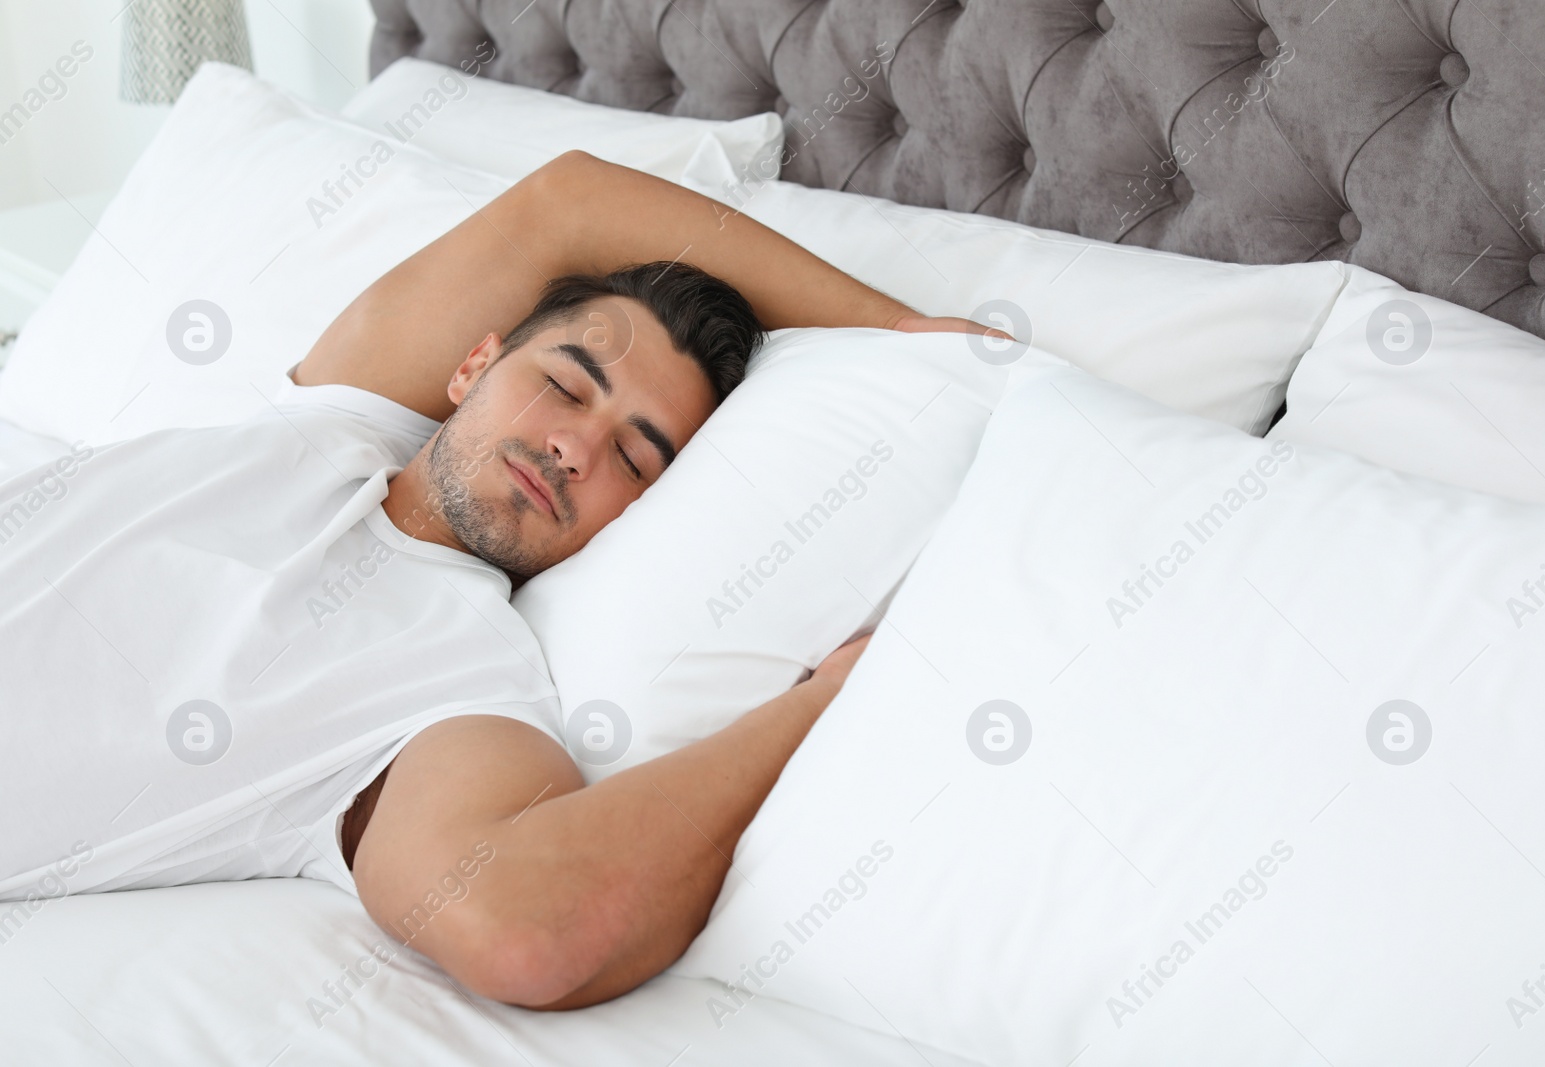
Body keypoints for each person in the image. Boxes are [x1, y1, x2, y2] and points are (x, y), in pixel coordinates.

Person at [0, 151, 986, 1006]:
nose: (569, 444)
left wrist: (828, 695)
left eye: (633, 458)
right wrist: (899, 329)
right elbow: (568, 201)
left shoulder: (462, 688)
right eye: (563, 384)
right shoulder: (331, 424)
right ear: (470, 365)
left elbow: (522, 929)